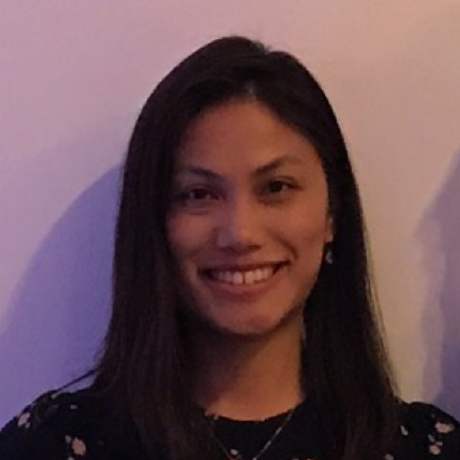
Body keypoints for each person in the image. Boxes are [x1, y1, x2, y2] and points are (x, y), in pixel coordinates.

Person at [0, 36, 458, 460]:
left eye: (276, 187)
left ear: (332, 214)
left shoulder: (422, 447)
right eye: (198, 194)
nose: (239, 233)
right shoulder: (52, 445)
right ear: (154, 222)